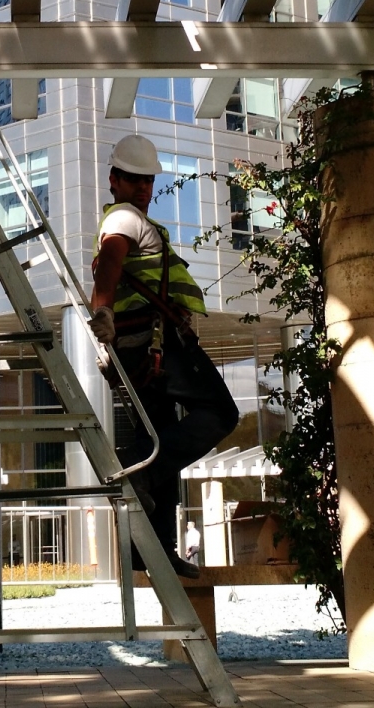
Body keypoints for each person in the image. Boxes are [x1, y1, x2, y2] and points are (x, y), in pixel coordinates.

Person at [89, 134, 239, 579]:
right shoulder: (124, 219)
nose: (142, 187)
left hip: (139, 351)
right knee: (220, 412)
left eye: (147, 180)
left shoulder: (131, 220)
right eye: (133, 178)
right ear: (114, 180)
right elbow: (111, 261)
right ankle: (141, 475)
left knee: (160, 439)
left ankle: (150, 552)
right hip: (157, 345)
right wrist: (102, 309)